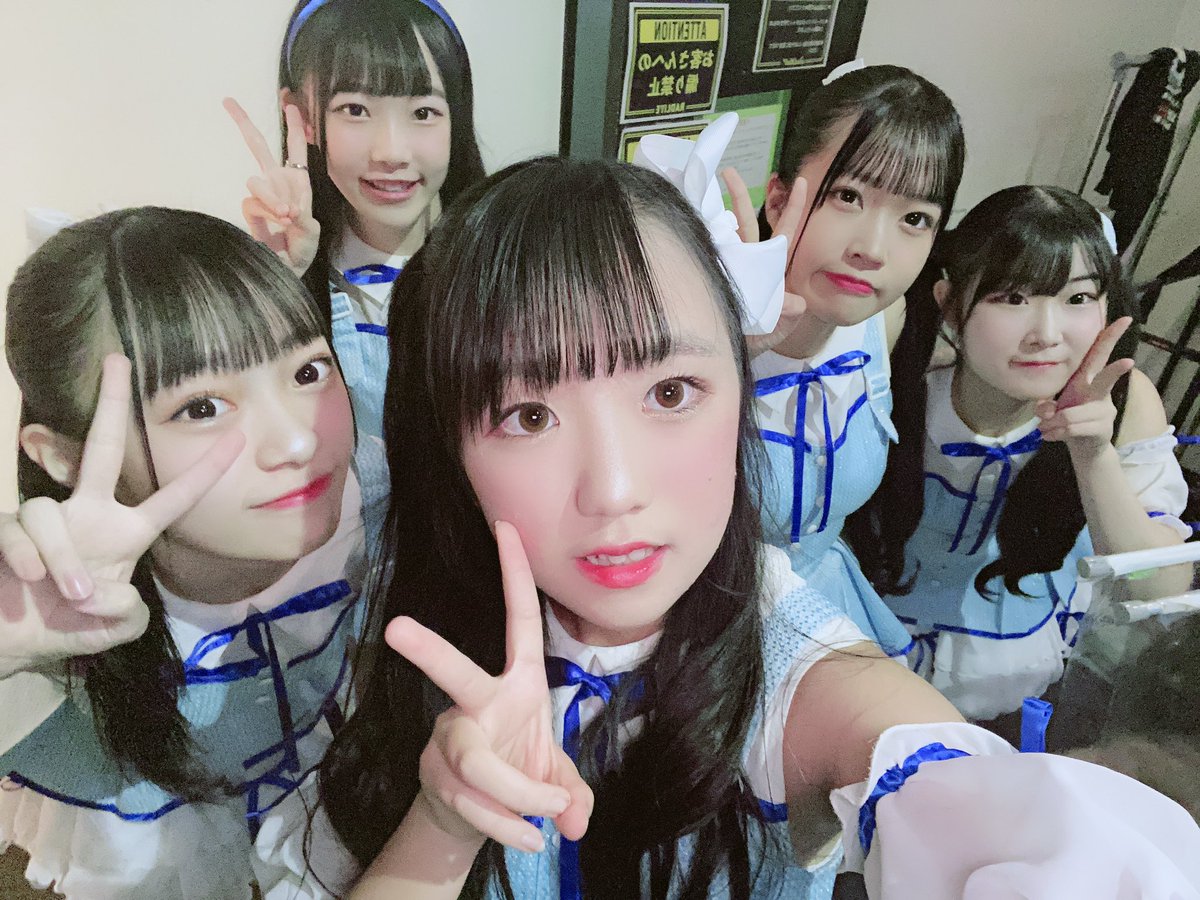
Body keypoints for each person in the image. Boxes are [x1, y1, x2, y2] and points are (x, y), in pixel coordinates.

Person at [316, 156, 1200, 900]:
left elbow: (950, 789)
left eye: (670, 392)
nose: (614, 490)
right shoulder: (410, 621)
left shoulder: (798, 673)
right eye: (529, 415)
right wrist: (444, 820)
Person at [0, 207, 380, 898]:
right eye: (201, 407)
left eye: (307, 370)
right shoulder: (50, 641)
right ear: (62, 456)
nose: (298, 442)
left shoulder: (368, 498)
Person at [846, 186, 1191, 722]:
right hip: (868, 651)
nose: (1046, 335)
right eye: (1013, 298)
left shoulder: (1123, 399)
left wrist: (1093, 454)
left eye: (1078, 298)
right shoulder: (897, 381)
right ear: (949, 304)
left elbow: (1158, 587)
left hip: (1022, 678)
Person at [750, 64, 965, 656]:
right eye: (848, 196)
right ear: (778, 199)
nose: (873, 249)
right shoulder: (692, 332)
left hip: (825, 603)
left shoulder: (882, 323)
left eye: (914, 219)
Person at [225, 0, 485, 442]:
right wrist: (276, 287)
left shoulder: (508, 264)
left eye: (424, 112)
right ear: (301, 115)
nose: (392, 152)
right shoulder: (291, 266)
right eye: (355, 109)